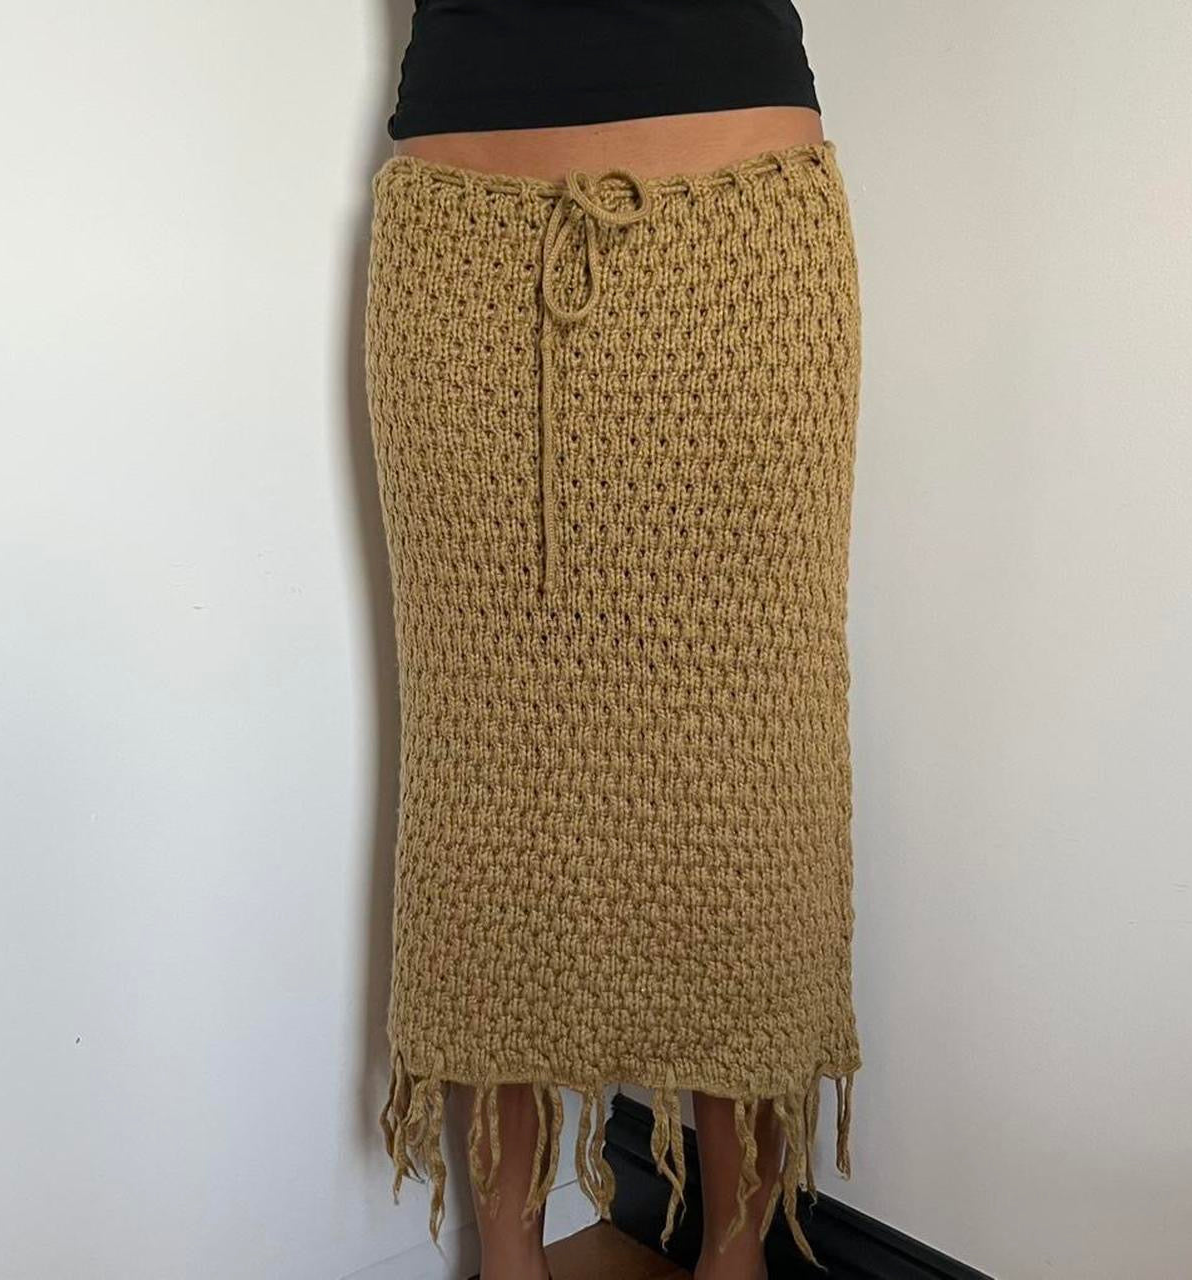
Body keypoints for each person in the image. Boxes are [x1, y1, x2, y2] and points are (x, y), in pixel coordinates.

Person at [364, 5, 864, 1279]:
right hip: (463, 247)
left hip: (744, 238)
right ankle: (508, 1258)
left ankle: (736, 1256)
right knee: (489, 785)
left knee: (745, 783)